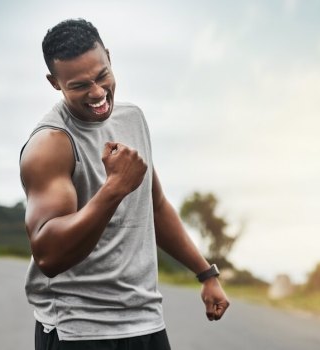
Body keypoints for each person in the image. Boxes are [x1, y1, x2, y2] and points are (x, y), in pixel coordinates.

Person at [19, 18, 229, 350]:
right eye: (79, 85)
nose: (98, 93)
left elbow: (155, 206)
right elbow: (49, 255)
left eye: (102, 76)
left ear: (110, 59)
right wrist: (114, 189)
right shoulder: (50, 145)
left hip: (145, 321)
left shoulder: (132, 119)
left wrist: (206, 274)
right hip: (79, 331)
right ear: (55, 83)